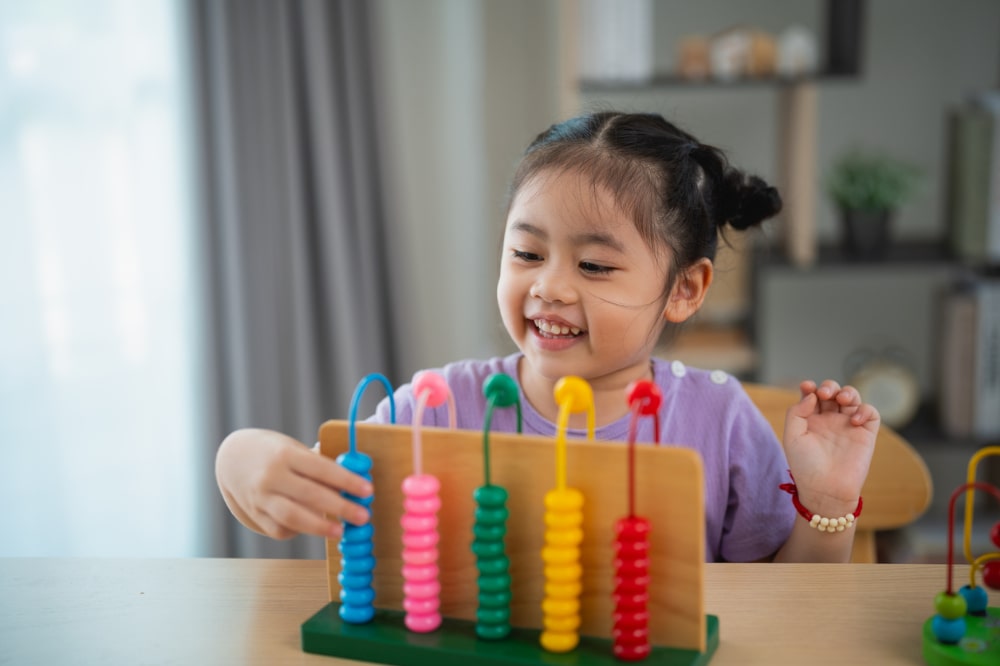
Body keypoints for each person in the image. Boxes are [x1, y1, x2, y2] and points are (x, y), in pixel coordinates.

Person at [216, 110, 879, 563]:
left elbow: (790, 598)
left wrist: (825, 503)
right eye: (527, 254)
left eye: (594, 265)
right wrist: (242, 463)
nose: (551, 287)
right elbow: (317, 488)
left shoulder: (721, 419)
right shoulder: (435, 407)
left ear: (685, 288)